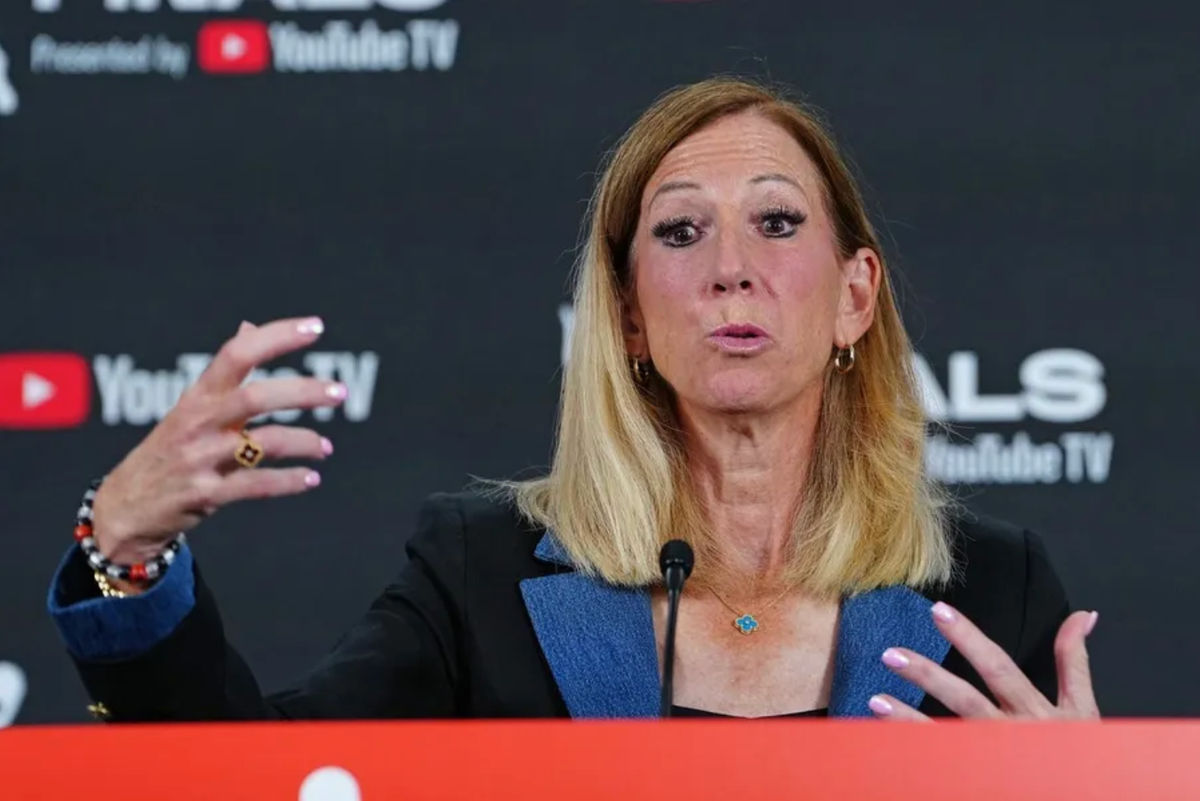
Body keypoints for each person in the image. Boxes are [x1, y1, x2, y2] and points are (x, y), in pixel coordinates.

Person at [48, 76, 1100, 721]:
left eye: (777, 223)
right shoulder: (482, 575)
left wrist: (1088, 792)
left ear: (855, 298)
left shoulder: (992, 593)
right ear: (632, 319)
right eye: (680, 232)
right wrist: (126, 557)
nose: (731, 268)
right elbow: (277, 778)